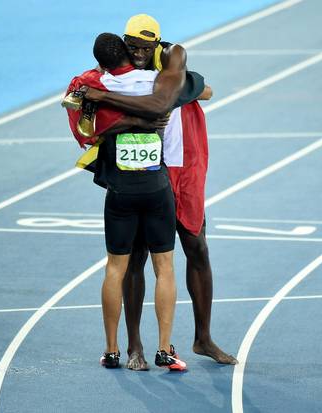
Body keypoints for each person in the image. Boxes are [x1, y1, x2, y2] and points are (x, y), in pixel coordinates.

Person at [82, 15, 237, 369]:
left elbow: (175, 97)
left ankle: (203, 338)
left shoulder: (172, 57)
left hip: (187, 165)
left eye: (144, 47)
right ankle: (134, 344)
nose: (137, 53)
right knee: (135, 257)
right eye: (132, 45)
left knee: (197, 247)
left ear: (157, 44)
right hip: (149, 171)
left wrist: (191, 84)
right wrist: (194, 87)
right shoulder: (113, 68)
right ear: (123, 43)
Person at [67, 33, 189, 371]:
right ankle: (164, 348)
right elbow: (203, 89)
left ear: (102, 62)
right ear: (129, 53)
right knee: (164, 267)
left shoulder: (93, 85)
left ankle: (112, 350)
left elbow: (84, 132)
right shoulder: (157, 81)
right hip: (156, 188)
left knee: (116, 269)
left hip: (120, 189)